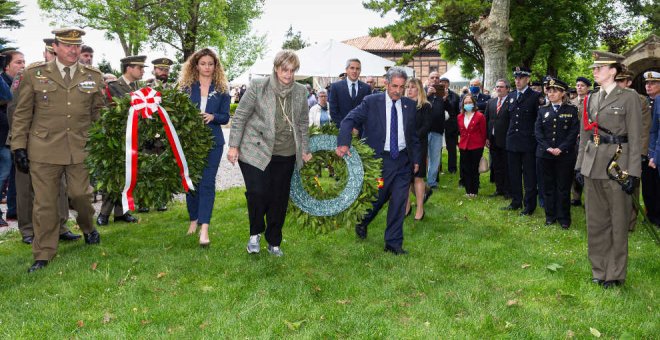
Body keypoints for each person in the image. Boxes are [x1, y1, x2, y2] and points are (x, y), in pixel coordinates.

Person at [11, 28, 106, 273]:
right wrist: (19, 146)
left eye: (77, 45)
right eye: (67, 45)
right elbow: (22, 114)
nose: (73, 50)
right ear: (55, 47)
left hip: (80, 148)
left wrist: (104, 141)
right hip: (43, 149)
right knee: (45, 204)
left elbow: (99, 114)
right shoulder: (35, 74)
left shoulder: (93, 76)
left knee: (80, 195)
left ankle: (88, 227)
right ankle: (44, 253)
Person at [227, 50, 311, 257]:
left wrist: (305, 149)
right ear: (275, 68)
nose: (288, 75)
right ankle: (254, 233)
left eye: (292, 71)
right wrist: (233, 146)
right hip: (255, 148)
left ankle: (274, 241)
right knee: (258, 192)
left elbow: (302, 123)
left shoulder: (300, 92)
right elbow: (240, 117)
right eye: (284, 70)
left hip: (286, 152)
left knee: (278, 198)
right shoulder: (259, 86)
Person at [336, 66, 421, 255]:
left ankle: (393, 244)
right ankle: (363, 221)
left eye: (402, 87)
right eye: (395, 86)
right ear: (386, 83)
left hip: (402, 161)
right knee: (377, 199)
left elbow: (413, 136)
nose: (398, 91)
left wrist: (416, 159)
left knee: (399, 202)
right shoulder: (371, 102)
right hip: (379, 162)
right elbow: (348, 120)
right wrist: (343, 143)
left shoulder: (409, 105)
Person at [575, 51, 642, 288]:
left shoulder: (629, 97)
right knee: (595, 222)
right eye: (594, 68)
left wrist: (633, 172)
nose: (594, 71)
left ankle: (614, 273)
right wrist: (579, 166)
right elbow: (585, 135)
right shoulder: (591, 98)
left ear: (613, 71)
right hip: (592, 166)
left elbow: (636, 135)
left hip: (618, 166)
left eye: (599, 68)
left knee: (617, 221)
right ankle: (599, 269)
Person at [177, 48, 231, 247]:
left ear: (215, 66)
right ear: (195, 65)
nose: (207, 67)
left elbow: (226, 116)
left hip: (213, 142)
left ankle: (205, 228)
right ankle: (193, 220)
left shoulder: (223, 88)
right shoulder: (185, 87)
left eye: (211, 64)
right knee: (192, 182)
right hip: (190, 142)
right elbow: (178, 114)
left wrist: (213, 117)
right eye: (203, 63)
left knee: (207, 182)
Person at [97, 56, 146, 226]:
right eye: (140, 68)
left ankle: (122, 211)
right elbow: (109, 112)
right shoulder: (113, 87)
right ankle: (104, 213)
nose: (143, 71)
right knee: (114, 175)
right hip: (117, 139)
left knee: (128, 175)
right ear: (129, 68)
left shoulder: (139, 87)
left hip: (134, 137)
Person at [535, 78, 579, 229]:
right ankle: (550, 216)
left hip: (564, 155)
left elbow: (574, 132)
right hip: (545, 155)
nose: (551, 93)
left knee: (563, 187)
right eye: (549, 90)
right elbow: (538, 131)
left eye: (554, 91)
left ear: (563, 93)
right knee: (548, 186)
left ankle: (564, 218)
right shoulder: (542, 110)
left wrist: (561, 148)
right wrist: (547, 147)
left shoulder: (571, 110)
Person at [615, 70, 653, 231]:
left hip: (631, 149)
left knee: (632, 185)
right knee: (613, 186)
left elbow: (645, 128)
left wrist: (641, 153)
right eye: (615, 81)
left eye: (622, 81)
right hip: (611, 148)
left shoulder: (640, 100)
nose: (618, 84)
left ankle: (630, 222)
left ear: (629, 82)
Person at [502, 66, 542, 215]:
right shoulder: (512, 96)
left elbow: (538, 121)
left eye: (521, 78)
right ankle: (516, 201)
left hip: (528, 143)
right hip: (512, 141)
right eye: (516, 78)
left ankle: (529, 205)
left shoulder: (535, 97)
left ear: (527, 79)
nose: (517, 81)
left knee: (529, 176)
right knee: (514, 174)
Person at [404, 78, 432, 220]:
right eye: (408, 87)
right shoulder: (402, 105)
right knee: (406, 178)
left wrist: (412, 138)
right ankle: (407, 206)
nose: (409, 89)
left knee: (417, 177)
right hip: (404, 147)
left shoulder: (425, 106)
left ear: (419, 89)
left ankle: (420, 208)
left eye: (413, 87)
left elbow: (426, 127)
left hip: (419, 146)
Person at [484, 79, 511, 197]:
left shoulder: (511, 102)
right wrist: (486, 137)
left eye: (501, 87)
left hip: (506, 140)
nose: (498, 89)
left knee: (506, 166)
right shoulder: (491, 102)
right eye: (497, 87)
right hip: (493, 139)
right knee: (496, 165)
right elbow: (486, 120)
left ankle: (507, 190)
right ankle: (499, 189)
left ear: (507, 89)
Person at [457, 94, 487, 197]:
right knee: (466, 169)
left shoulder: (480, 116)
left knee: (474, 169)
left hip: (476, 146)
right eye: (466, 103)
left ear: (474, 103)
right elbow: (460, 132)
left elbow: (483, 133)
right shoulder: (459, 117)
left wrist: (482, 145)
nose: (468, 104)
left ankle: (474, 191)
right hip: (464, 146)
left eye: (470, 102)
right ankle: (468, 191)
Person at [570, 76, 592, 206]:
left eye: (582, 86)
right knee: (574, 168)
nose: (579, 88)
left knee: (587, 168)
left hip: (588, 140)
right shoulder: (571, 103)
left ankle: (589, 197)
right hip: (574, 140)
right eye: (577, 85)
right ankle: (576, 196)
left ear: (587, 88)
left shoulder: (592, 102)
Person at [328, 58, 370, 128]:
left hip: (361, 132)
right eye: (352, 68)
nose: (355, 71)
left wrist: (357, 128)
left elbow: (368, 111)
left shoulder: (366, 88)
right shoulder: (335, 87)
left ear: (360, 71)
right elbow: (333, 111)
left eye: (357, 69)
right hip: (341, 130)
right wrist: (345, 127)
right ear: (346, 70)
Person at [643, 71, 660, 227]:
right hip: (645, 150)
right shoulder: (643, 103)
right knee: (647, 185)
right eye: (647, 83)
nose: (649, 86)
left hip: (657, 149)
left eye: (653, 83)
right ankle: (650, 213)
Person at [425, 71, 446, 189]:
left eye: (437, 77)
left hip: (437, 130)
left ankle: (431, 181)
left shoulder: (441, 94)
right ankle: (418, 179)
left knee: (435, 157)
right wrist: (427, 94)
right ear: (428, 79)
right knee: (422, 156)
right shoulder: (422, 92)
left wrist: (446, 99)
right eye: (432, 77)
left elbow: (452, 110)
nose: (435, 79)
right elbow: (417, 106)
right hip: (424, 130)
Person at [439, 76, 461, 175]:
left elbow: (456, 112)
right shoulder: (435, 94)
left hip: (451, 126)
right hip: (438, 125)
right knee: (437, 148)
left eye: (445, 82)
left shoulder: (455, 96)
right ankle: (438, 168)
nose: (443, 84)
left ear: (448, 84)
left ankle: (452, 169)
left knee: (451, 149)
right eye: (441, 82)